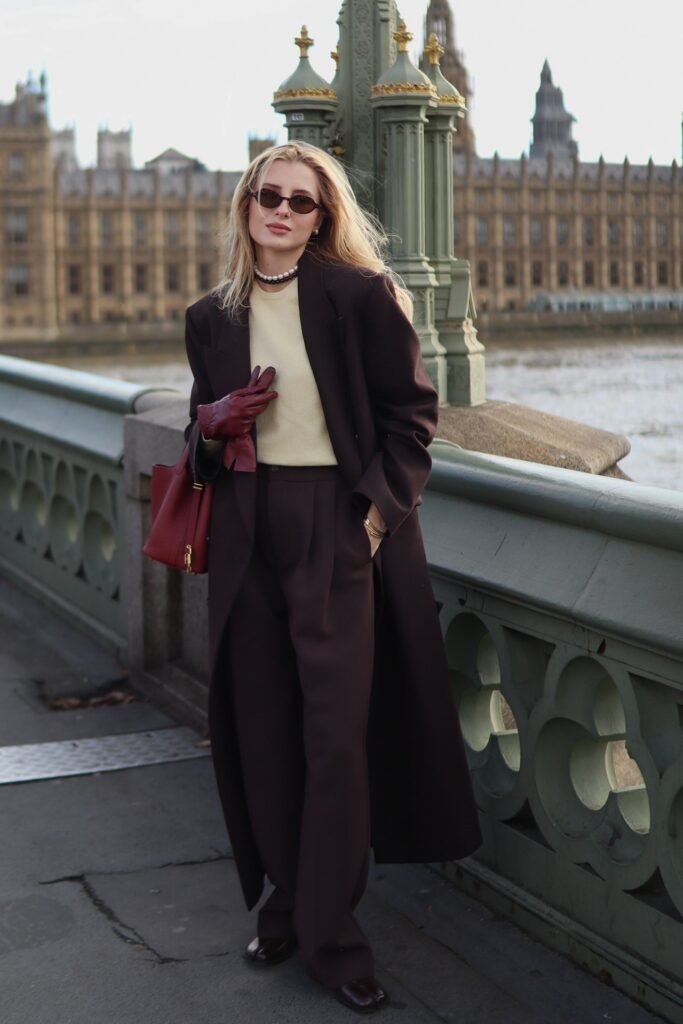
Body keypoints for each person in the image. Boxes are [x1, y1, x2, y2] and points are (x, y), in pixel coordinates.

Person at [182, 140, 482, 1014]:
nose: (280, 210)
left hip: (333, 526)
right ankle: (289, 900)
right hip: (246, 527)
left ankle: (333, 936)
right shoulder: (210, 316)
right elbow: (201, 453)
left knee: (337, 739)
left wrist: (372, 520)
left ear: (323, 217)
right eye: (266, 195)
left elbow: (411, 419)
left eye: (300, 201)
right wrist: (208, 424)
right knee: (265, 731)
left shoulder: (359, 297)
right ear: (244, 205)